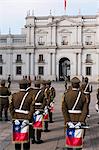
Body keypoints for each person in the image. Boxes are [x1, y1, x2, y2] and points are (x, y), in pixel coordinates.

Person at [62, 77, 88, 150]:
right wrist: (81, 121)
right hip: (79, 117)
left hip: (69, 117)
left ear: (72, 84)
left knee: (69, 139)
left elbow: (64, 109)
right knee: (78, 139)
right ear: (78, 84)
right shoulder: (83, 95)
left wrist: (67, 120)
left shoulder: (66, 94)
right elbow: (85, 110)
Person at [9, 79, 35, 150]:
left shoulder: (14, 95)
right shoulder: (30, 96)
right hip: (26, 118)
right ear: (27, 86)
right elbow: (32, 109)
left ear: (19, 86)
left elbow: (11, 107)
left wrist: (13, 116)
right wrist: (28, 117)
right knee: (26, 138)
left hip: (16, 118)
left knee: (17, 137)